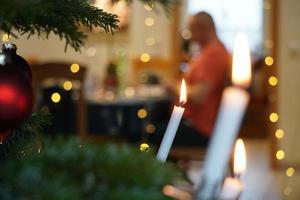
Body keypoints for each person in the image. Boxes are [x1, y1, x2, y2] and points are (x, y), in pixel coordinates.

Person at [156, 11, 231, 147]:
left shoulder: (213, 55)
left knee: (151, 134)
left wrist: (172, 86)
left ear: (203, 29)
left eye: (191, 30)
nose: (189, 35)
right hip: (195, 122)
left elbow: (199, 95)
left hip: (201, 127)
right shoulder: (209, 51)